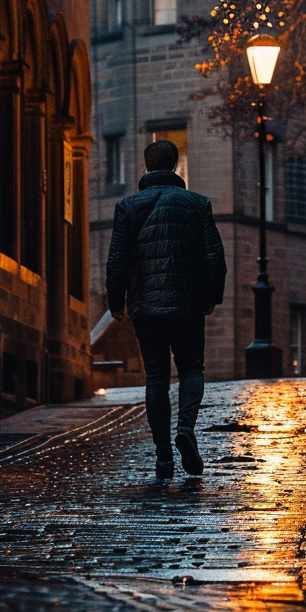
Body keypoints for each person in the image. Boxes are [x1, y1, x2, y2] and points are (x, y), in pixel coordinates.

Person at [106, 140, 227, 481]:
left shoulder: (128, 206)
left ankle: (163, 460)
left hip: (146, 306)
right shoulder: (197, 203)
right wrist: (211, 296)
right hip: (187, 303)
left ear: (146, 166)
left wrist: (117, 302)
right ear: (175, 166)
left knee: (156, 377)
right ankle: (186, 428)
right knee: (191, 369)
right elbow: (214, 257)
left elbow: (117, 260)